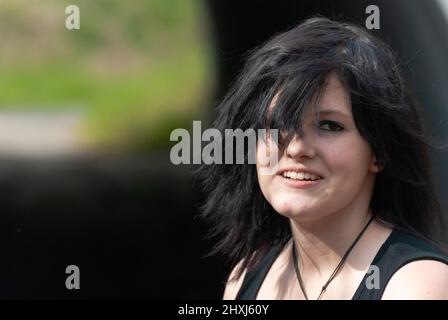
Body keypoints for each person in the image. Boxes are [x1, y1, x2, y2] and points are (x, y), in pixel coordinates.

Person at [197, 17, 448, 300]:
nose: (297, 148)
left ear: (380, 152)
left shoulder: (415, 287)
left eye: (329, 125)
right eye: (277, 124)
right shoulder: (246, 278)